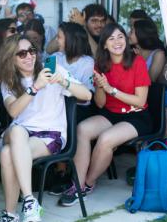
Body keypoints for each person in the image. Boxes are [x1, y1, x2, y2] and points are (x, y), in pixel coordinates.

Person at [0, 35, 91, 222]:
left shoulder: (52, 70)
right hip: (19, 132)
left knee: (6, 154)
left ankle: (10, 216)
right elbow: (13, 111)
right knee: (18, 130)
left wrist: (64, 82)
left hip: (49, 135)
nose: (29, 56)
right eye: (22, 54)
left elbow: (87, 95)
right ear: (12, 58)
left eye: (31, 51)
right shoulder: (9, 81)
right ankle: (29, 200)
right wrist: (35, 87)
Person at [64, 23, 152, 205]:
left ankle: (88, 183)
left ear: (126, 40)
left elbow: (140, 101)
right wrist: (102, 87)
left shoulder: (138, 62)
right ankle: (77, 185)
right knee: (82, 129)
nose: (117, 41)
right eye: (111, 38)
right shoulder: (100, 65)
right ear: (104, 45)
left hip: (136, 115)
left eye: (120, 36)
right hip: (111, 113)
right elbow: (100, 103)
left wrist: (111, 90)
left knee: (105, 139)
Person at [53, 22, 95, 121]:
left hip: (77, 110)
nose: (56, 40)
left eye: (59, 37)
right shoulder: (54, 57)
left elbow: (87, 98)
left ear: (70, 40)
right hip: (55, 107)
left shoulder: (88, 62)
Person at [129, 18, 167, 84]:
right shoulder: (131, 51)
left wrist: (140, 59)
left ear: (140, 34)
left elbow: (151, 80)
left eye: (131, 31)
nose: (128, 34)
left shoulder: (158, 54)